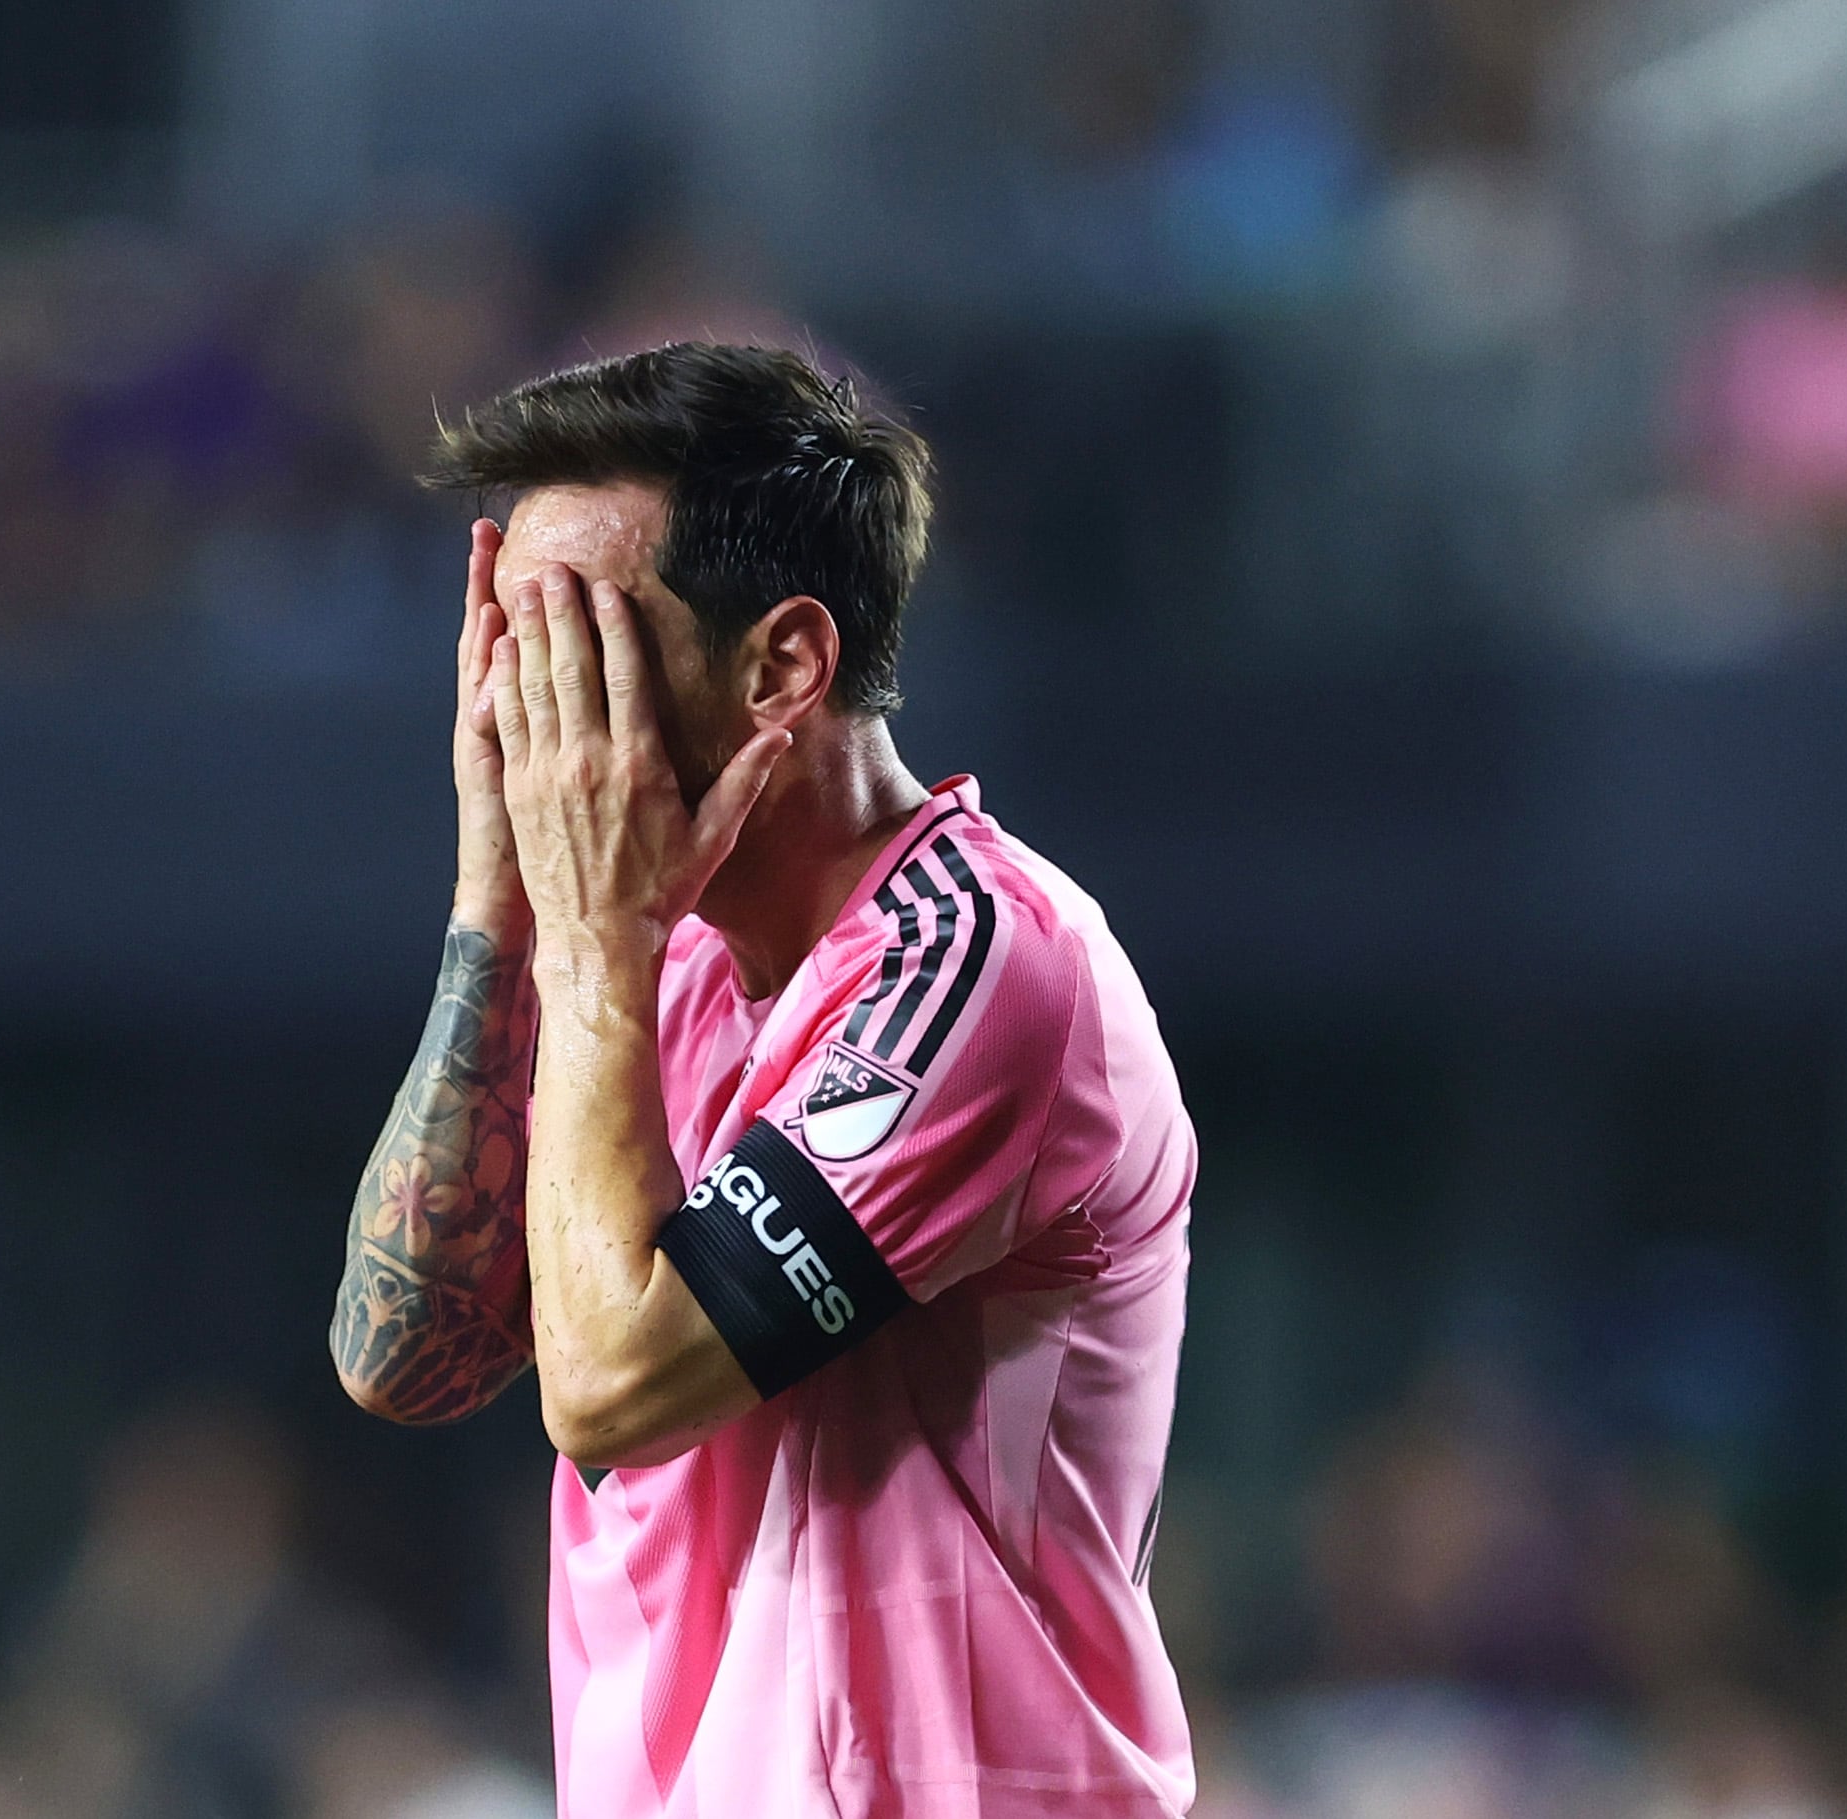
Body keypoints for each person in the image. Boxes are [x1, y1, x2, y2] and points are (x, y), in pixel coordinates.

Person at [327, 342, 1197, 1817]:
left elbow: (611, 1388)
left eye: (579, 639)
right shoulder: (650, 962)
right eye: (511, 647)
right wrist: (501, 907)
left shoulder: (982, 964)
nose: (529, 706)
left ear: (782, 665)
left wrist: (591, 947)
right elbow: (406, 1359)